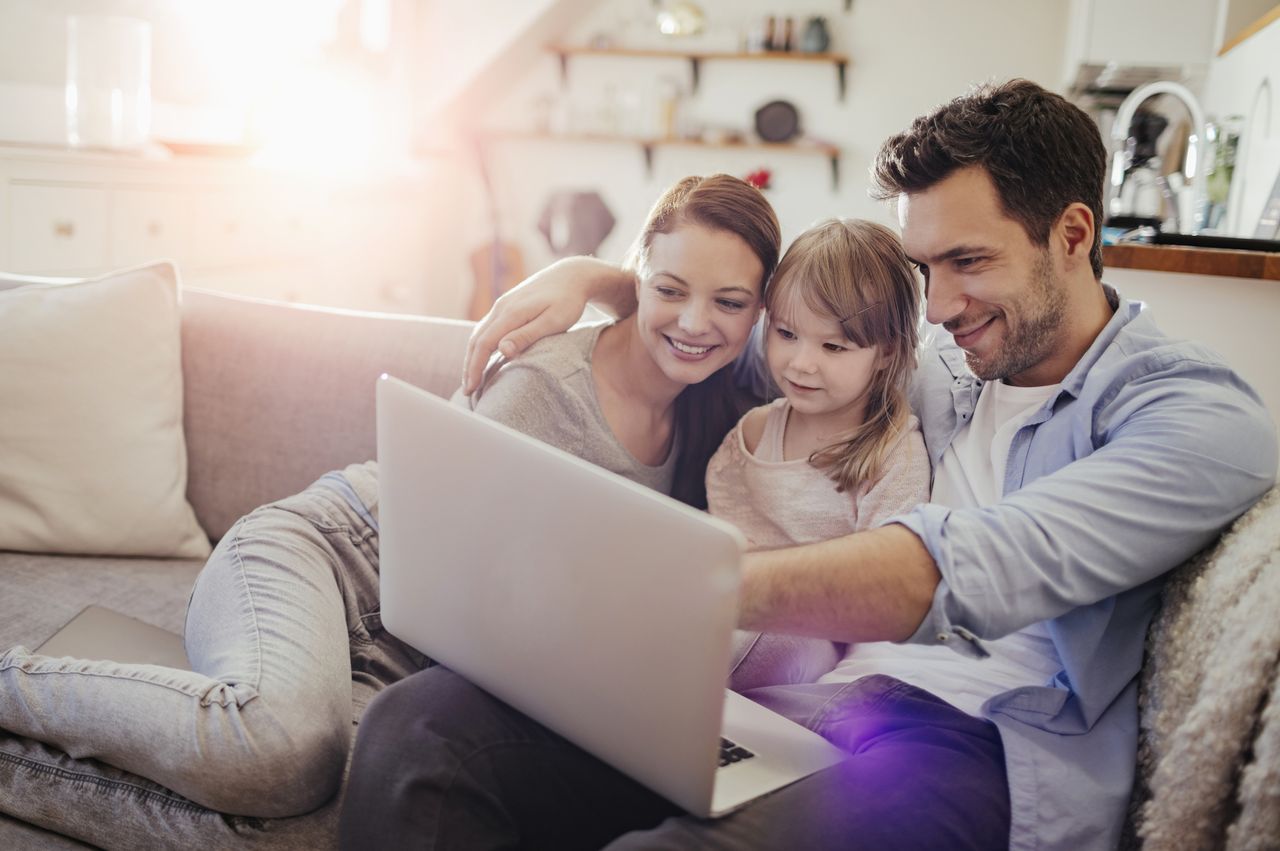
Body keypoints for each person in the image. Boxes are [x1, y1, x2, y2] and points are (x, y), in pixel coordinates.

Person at [337, 79, 1278, 850]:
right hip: (805, 705)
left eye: (968, 262)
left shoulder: (1193, 416)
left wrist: (676, 589)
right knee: (419, 729)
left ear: (1072, 235)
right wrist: (602, 278)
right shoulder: (932, 360)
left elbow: (968, 564)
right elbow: (730, 328)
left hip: (977, 749)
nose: (940, 304)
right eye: (923, 269)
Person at [0, 174, 780, 847]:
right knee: (284, 749)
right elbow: (455, 575)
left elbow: (818, 327)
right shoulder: (545, 383)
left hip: (414, 653)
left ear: (758, 314)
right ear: (638, 273)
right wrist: (595, 277)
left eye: (729, 301)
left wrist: (597, 277)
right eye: (668, 289)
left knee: (332, 828)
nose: (693, 320)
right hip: (336, 557)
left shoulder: (723, 413)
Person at [715, 218, 930, 691]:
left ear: (888, 352)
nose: (801, 363)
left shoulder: (893, 455)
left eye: (833, 345)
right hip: (726, 622)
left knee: (790, 645)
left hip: (815, 646)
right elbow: (721, 540)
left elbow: (886, 585)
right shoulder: (754, 433)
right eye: (786, 334)